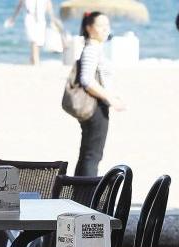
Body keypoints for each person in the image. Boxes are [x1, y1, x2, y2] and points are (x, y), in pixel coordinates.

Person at [74, 12, 125, 177]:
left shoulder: (96, 48)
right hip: (94, 107)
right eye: (100, 26)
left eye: (107, 26)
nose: (105, 29)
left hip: (97, 105)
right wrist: (109, 98)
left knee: (88, 153)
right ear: (89, 28)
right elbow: (87, 80)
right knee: (93, 155)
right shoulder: (91, 49)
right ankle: (86, 195)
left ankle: (78, 192)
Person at [4, 0, 61, 65]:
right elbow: (19, 5)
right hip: (29, 17)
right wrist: (13, 18)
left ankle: (32, 60)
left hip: (41, 18)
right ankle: (36, 62)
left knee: (39, 42)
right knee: (33, 40)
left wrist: (52, 19)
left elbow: (49, 5)